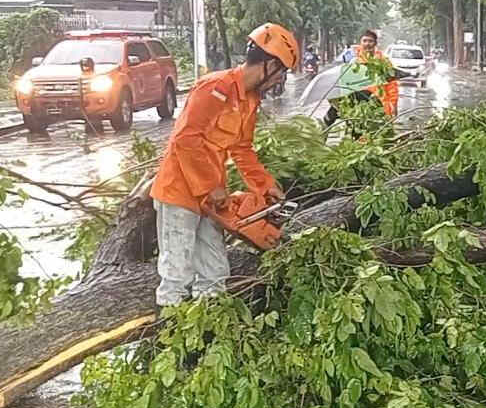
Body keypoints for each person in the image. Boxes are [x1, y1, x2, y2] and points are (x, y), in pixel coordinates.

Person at [149, 23, 298, 309]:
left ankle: (210, 332)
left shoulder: (249, 101)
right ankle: (170, 337)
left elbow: (242, 149)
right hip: (179, 191)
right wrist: (209, 186)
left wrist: (265, 186)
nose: (280, 79)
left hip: (211, 197)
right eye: (281, 71)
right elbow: (185, 140)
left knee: (215, 273)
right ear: (268, 64)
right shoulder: (215, 88)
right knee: (177, 273)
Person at [324, 29, 405, 127]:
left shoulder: (383, 62)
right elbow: (343, 83)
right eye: (365, 41)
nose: (367, 44)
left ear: (375, 43)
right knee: (356, 131)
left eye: (370, 41)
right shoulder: (354, 61)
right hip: (356, 104)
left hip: (378, 103)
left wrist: (394, 105)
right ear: (360, 43)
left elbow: (392, 85)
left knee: (377, 133)